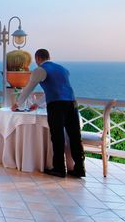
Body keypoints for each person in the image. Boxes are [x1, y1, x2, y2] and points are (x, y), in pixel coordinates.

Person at [12, 48, 85, 178]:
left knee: (57, 137)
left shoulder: (40, 70)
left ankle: (59, 169)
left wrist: (17, 104)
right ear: (48, 57)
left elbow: (28, 89)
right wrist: (37, 104)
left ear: (38, 58)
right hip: (72, 104)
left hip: (57, 106)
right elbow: (55, 88)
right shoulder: (62, 69)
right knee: (75, 137)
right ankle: (79, 169)